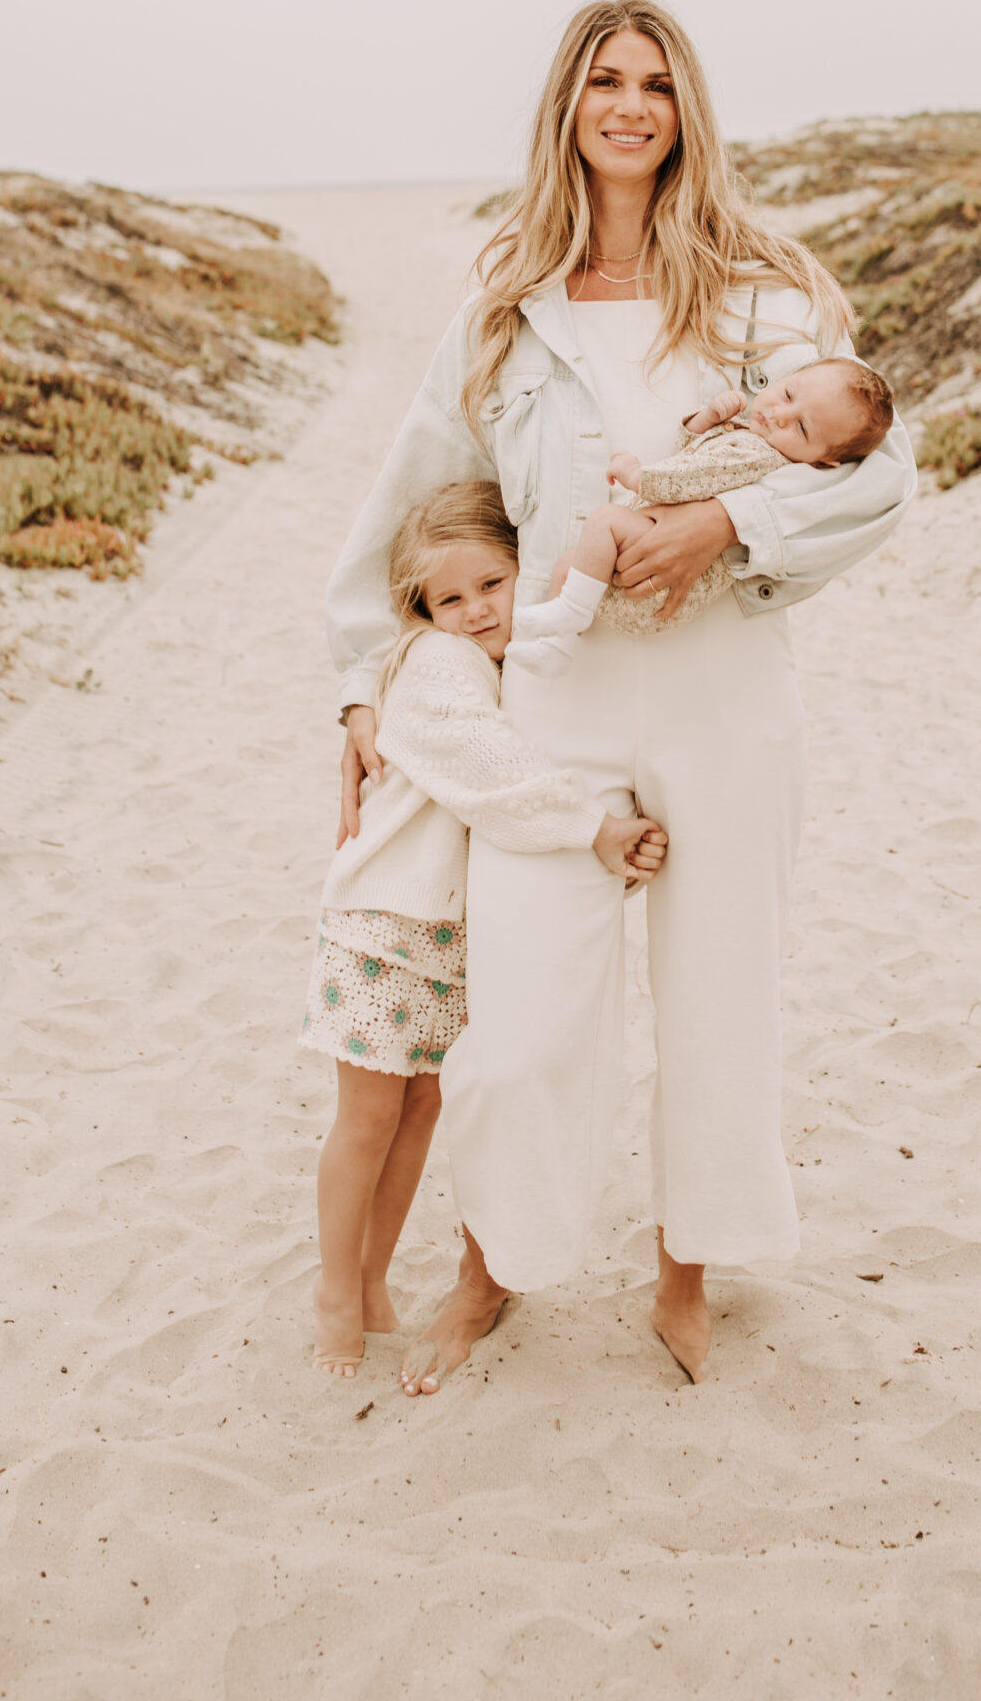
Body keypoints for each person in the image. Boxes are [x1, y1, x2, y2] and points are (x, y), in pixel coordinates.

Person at [328, 0, 917, 1392]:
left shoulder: (770, 296)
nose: (631, 104)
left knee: (719, 1003)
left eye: (656, 82)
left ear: (685, 109)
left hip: (723, 687)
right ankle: (493, 1268)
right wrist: (363, 686)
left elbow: (881, 472)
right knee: (521, 1020)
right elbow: (408, 502)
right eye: (605, 80)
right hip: (559, 693)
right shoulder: (503, 305)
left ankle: (684, 1271)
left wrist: (722, 529)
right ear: (567, 107)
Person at [303, 480, 666, 1379]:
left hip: (444, 936)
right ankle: (335, 1297)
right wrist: (593, 829)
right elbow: (488, 767)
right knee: (365, 1120)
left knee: (421, 1108)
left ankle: (374, 1278)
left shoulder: (510, 664)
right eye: (448, 598)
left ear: (521, 571)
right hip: (384, 927)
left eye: (490, 586)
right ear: (421, 611)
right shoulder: (437, 666)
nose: (472, 613)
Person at [507, 361, 898, 673]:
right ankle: (558, 645)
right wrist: (705, 421)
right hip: (658, 577)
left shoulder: (758, 454)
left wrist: (636, 475)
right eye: (787, 393)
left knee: (604, 521)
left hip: (660, 579)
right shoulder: (750, 438)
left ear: (825, 461)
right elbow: (694, 456)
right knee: (569, 563)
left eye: (801, 426)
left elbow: (688, 478)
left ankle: (573, 611)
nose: (780, 414)